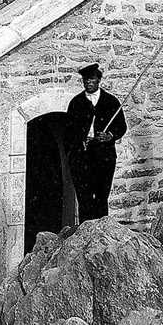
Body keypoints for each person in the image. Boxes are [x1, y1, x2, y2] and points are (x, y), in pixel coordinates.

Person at [65, 63, 125, 225]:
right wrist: (79, 141)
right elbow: (68, 131)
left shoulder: (111, 102)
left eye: (91, 79)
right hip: (82, 157)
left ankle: (100, 230)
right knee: (84, 197)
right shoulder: (76, 103)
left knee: (101, 196)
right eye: (85, 80)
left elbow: (121, 126)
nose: (88, 83)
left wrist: (109, 136)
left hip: (104, 156)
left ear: (99, 80)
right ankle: (85, 231)